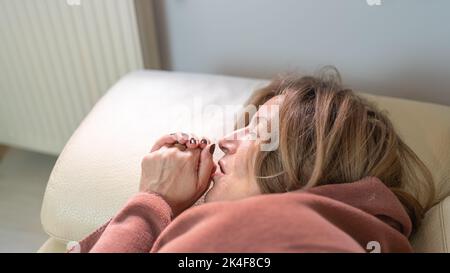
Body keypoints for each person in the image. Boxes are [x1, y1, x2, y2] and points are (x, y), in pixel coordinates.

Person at [71, 68, 435, 253]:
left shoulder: (271, 225)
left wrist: (152, 201)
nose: (225, 143)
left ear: (306, 162)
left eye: (257, 131)